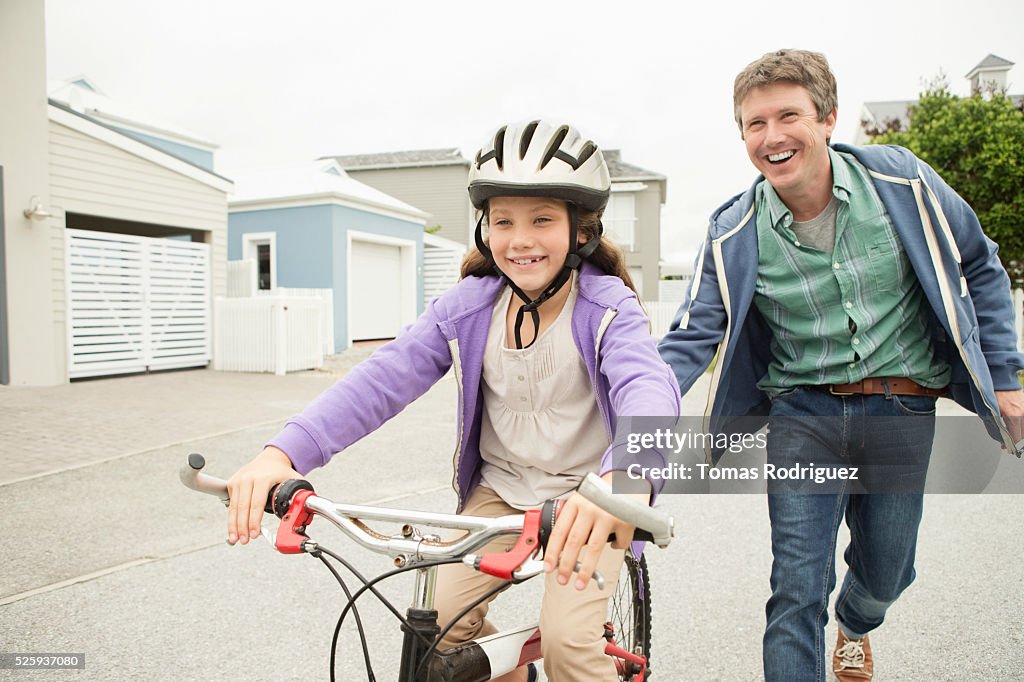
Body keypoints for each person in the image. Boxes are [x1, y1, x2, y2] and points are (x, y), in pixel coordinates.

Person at [226, 120, 681, 682]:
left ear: (580, 231)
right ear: (483, 229)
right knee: (432, 627)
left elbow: (651, 390)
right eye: (503, 220)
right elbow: (382, 379)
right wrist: (283, 455)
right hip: (500, 494)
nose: (520, 239)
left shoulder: (608, 307)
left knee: (569, 644)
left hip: (588, 503)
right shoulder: (468, 308)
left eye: (542, 219)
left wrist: (623, 481)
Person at [658, 49, 1024, 682]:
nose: (771, 137)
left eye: (787, 116)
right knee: (796, 588)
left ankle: (856, 623)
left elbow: (981, 265)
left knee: (888, 570)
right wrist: (631, 416)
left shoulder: (903, 183)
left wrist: (1007, 377)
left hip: (900, 404)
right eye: (754, 123)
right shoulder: (732, 230)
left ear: (827, 118)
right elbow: (691, 335)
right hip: (803, 411)